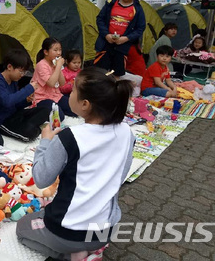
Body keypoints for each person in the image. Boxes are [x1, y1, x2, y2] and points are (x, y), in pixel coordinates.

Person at [16, 66, 135, 261]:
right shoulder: (126, 133)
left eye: (73, 90)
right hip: (104, 231)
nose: (69, 93)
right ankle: (92, 251)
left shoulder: (70, 138)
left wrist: (45, 142)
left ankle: (71, 256)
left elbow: (41, 179)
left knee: (22, 227)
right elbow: (120, 175)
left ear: (85, 104)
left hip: (68, 232)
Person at [0, 49, 50, 142]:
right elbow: (7, 101)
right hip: (2, 120)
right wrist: (28, 88)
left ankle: (31, 125)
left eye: (24, 72)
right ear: (9, 67)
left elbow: (15, 104)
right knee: (29, 133)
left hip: (15, 114)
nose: (22, 75)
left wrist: (26, 101)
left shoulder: (13, 80)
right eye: (21, 72)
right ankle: (34, 127)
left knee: (46, 110)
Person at [94, 0, 146, 78]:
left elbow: (140, 28)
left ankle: (114, 91)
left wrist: (126, 38)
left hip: (122, 46)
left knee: (117, 73)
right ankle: (98, 91)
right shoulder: (110, 4)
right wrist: (106, 35)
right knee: (100, 71)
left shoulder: (138, 9)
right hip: (106, 43)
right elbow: (100, 19)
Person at [32, 37, 76, 121]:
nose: (58, 53)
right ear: (46, 52)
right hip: (42, 98)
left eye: (60, 50)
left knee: (75, 109)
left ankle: (58, 108)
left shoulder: (55, 63)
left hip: (56, 96)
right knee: (59, 117)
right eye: (55, 50)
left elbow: (62, 83)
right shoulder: (41, 65)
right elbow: (51, 83)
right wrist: (58, 66)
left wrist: (57, 67)